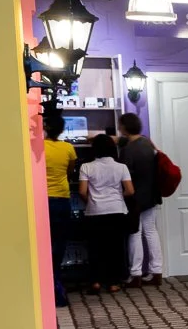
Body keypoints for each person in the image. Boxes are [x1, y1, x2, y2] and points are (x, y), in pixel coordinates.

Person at [76, 134, 134, 294]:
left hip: (94, 212)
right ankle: (113, 283)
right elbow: (130, 190)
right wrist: (116, 198)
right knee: (115, 248)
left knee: (95, 248)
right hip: (116, 211)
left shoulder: (86, 167)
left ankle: (95, 281)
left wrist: (92, 201)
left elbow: (81, 191)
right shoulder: (121, 167)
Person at [118, 112, 163, 285]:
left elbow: (124, 175)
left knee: (134, 233)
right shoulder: (147, 143)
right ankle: (156, 271)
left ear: (124, 127)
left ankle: (135, 273)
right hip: (151, 194)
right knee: (151, 232)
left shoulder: (128, 150)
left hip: (134, 196)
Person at [43, 109, 78, 308]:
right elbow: (70, 170)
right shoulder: (68, 148)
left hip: (43, 199)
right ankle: (57, 284)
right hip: (62, 198)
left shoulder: (38, 147)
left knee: (43, 245)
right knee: (59, 245)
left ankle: (49, 286)